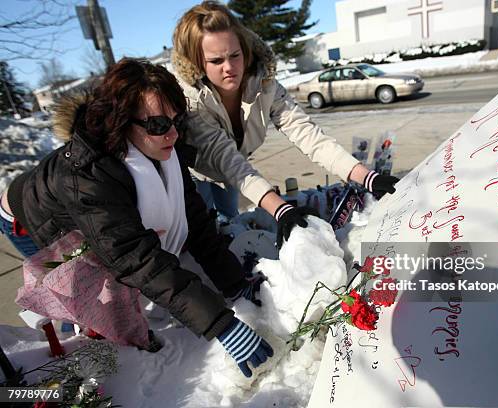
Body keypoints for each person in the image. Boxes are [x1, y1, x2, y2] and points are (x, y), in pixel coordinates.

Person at [0, 58, 271, 377]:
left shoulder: (162, 150)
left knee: (114, 272)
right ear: (121, 122)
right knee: (82, 292)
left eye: (176, 120)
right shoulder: (87, 175)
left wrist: (236, 284)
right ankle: (82, 356)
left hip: (89, 214)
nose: (172, 133)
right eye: (158, 125)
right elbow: (135, 257)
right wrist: (220, 325)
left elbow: (196, 223)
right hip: (33, 223)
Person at [171, 1, 399, 247]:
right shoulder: (191, 99)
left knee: (230, 223)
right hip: (196, 173)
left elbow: (307, 133)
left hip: (236, 172)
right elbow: (223, 157)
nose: (229, 68)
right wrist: (280, 209)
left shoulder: (264, 84)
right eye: (216, 61)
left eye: (235, 55)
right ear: (197, 64)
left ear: (245, 51)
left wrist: (367, 177)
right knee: (201, 231)